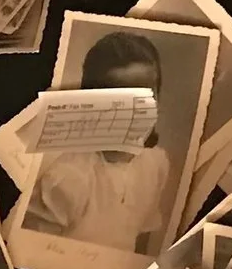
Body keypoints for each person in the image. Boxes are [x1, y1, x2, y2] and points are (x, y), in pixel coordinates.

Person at [20, 32, 174, 254]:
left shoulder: (157, 163)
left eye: (145, 98)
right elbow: (33, 255)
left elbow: (142, 236)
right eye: (118, 102)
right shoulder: (67, 179)